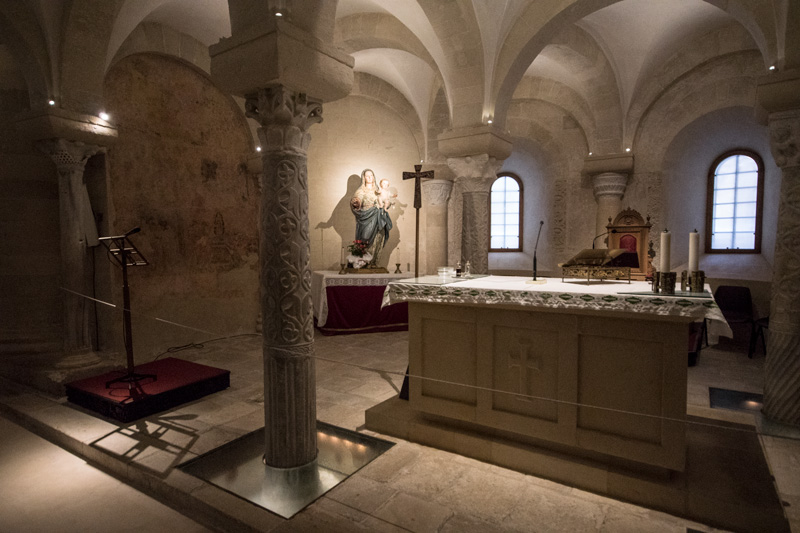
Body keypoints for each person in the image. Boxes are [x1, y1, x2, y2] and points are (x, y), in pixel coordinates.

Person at [350, 169, 393, 268]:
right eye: (367, 176)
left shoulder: (379, 189)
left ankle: (374, 262)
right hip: (366, 217)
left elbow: (386, 200)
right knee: (366, 238)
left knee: (378, 238)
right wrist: (356, 202)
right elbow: (355, 203)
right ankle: (364, 262)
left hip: (379, 218)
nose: (370, 177)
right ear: (363, 178)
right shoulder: (360, 191)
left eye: (371, 175)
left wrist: (388, 203)